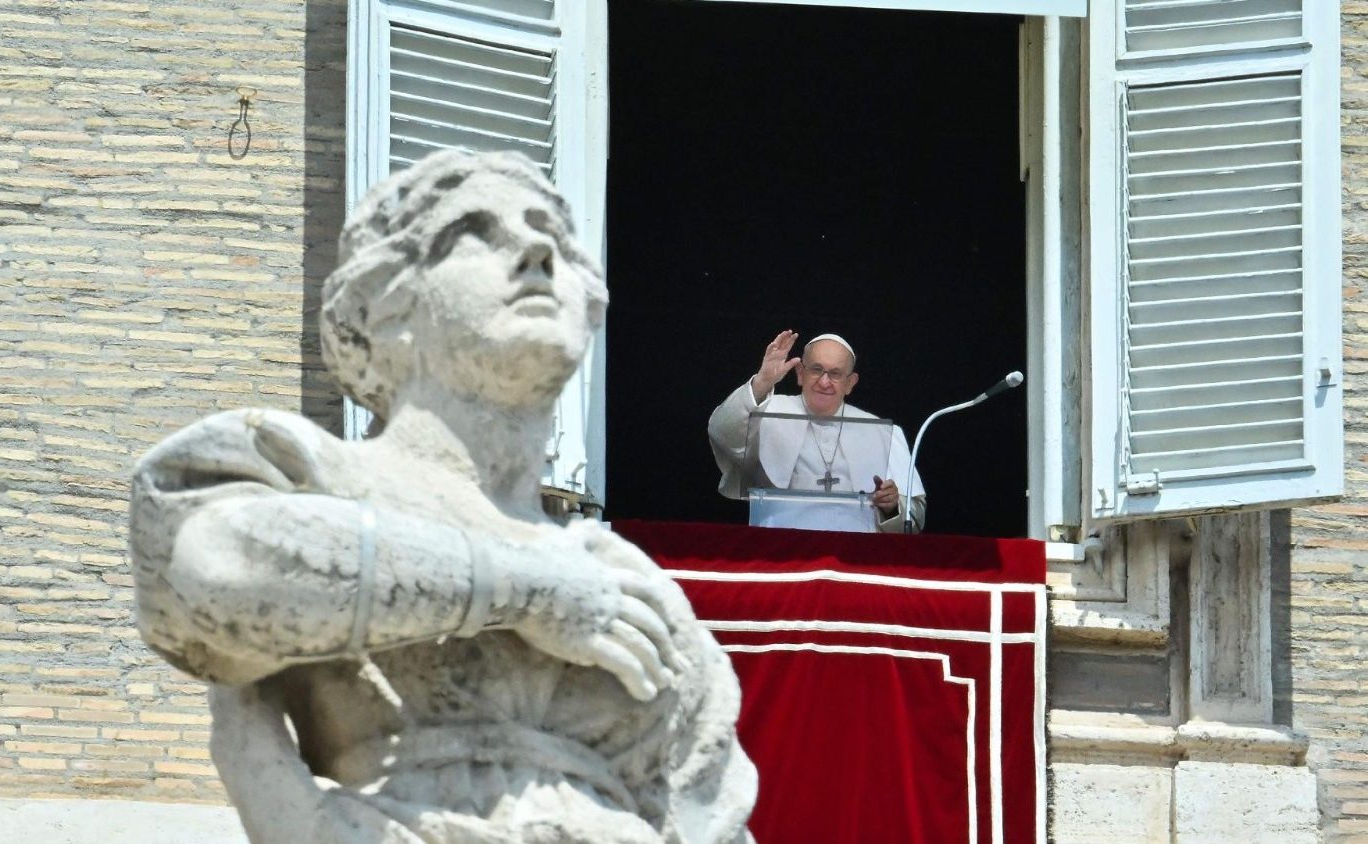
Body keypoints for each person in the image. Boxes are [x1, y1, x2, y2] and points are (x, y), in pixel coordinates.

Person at [130, 150, 756, 844]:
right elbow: (218, 570)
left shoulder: (629, 580)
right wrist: (530, 588)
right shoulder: (310, 476)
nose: (537, 252)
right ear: (388, 307)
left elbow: (713, 817)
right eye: (473, 234)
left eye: (552, 234)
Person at [708, 329, 926, 533]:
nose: (824, 382)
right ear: (800, 373)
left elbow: (914, 518)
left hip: (854, 552)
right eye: (816, 369)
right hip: (781, 547)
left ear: (850, 383)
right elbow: (722, 435)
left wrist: (892, 506)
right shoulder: (766, 412)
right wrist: (762, 382)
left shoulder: (881, 432)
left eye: (835, 373)